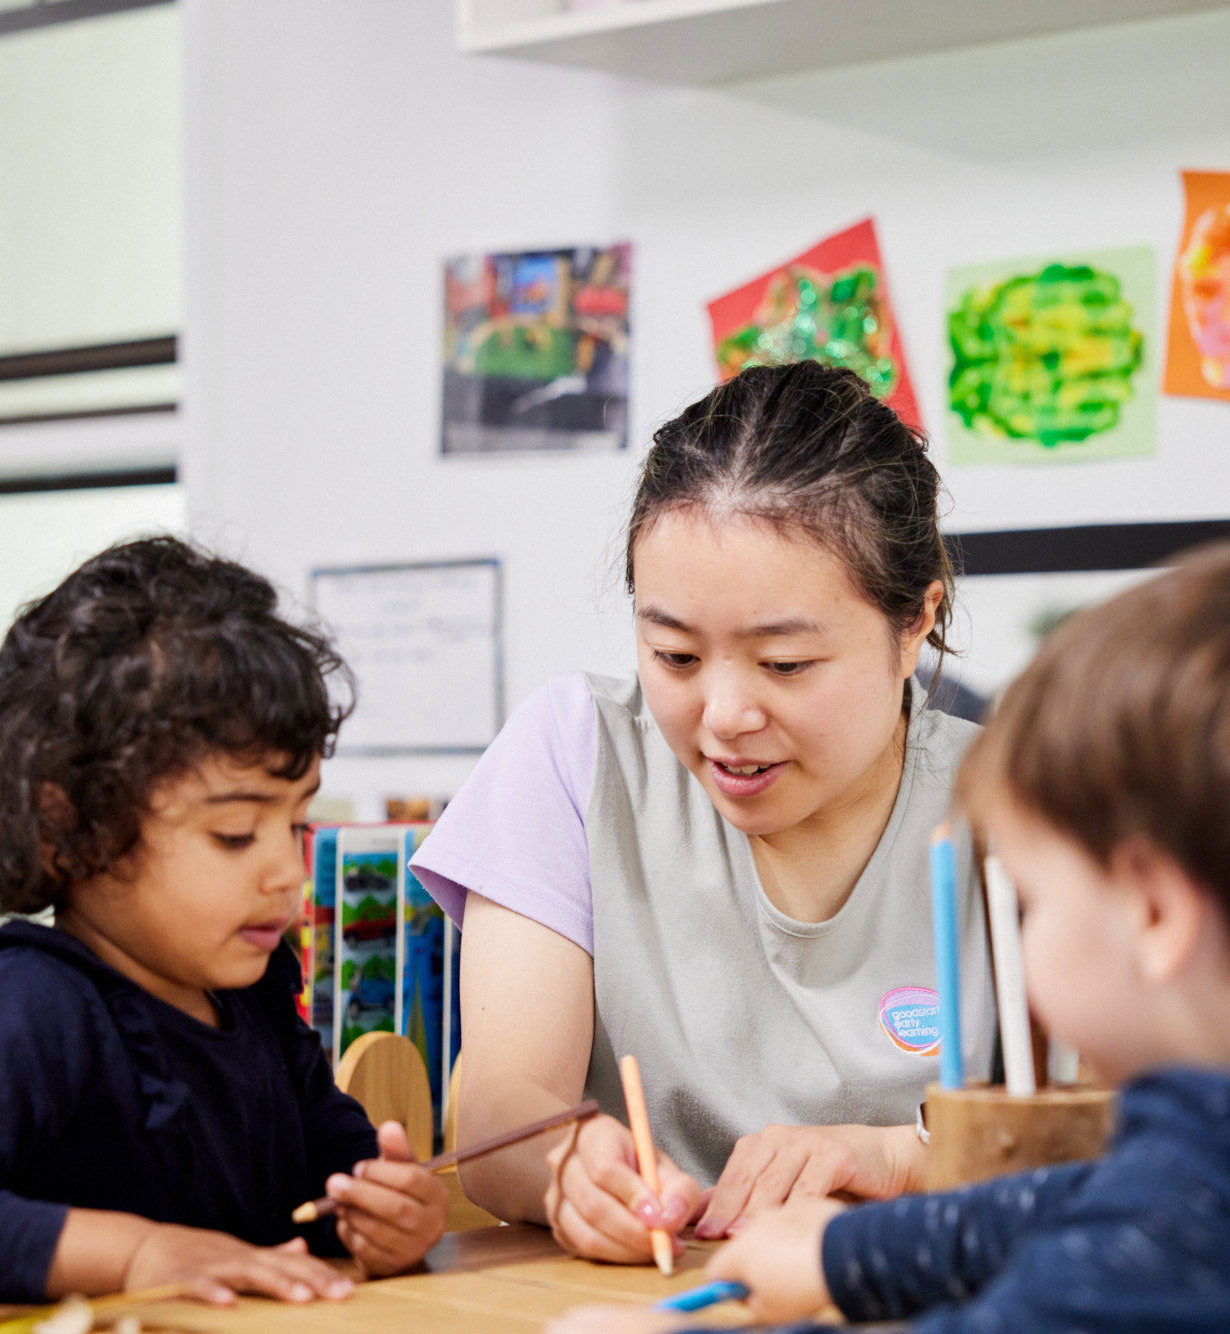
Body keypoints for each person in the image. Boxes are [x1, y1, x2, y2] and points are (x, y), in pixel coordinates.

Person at [554, 541, 1230, 1334]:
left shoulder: (1158, 1261)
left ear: (1153, 915)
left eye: (1037, 899)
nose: (1025, 935)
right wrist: (846, 1252)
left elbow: (1115, 1229)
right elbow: (1089, 1196)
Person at [411, 362, 997, 1264]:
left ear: (917, 621)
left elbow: (1120, 1139)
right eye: (676, 655)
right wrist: (563, 1165)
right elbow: (499, 1111)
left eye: (786, 664)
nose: (724, 717)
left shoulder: (1021, 797)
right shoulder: (574, 754)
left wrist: (904, 1159)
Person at [0, 537, 448, 1304]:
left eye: (298, 824)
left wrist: (386, 1214)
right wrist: (137, 1254)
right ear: (73, 823)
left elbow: (336, 1173)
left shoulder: (251, 999)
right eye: (235, 835)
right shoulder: (29, 1004)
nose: (288, 870)